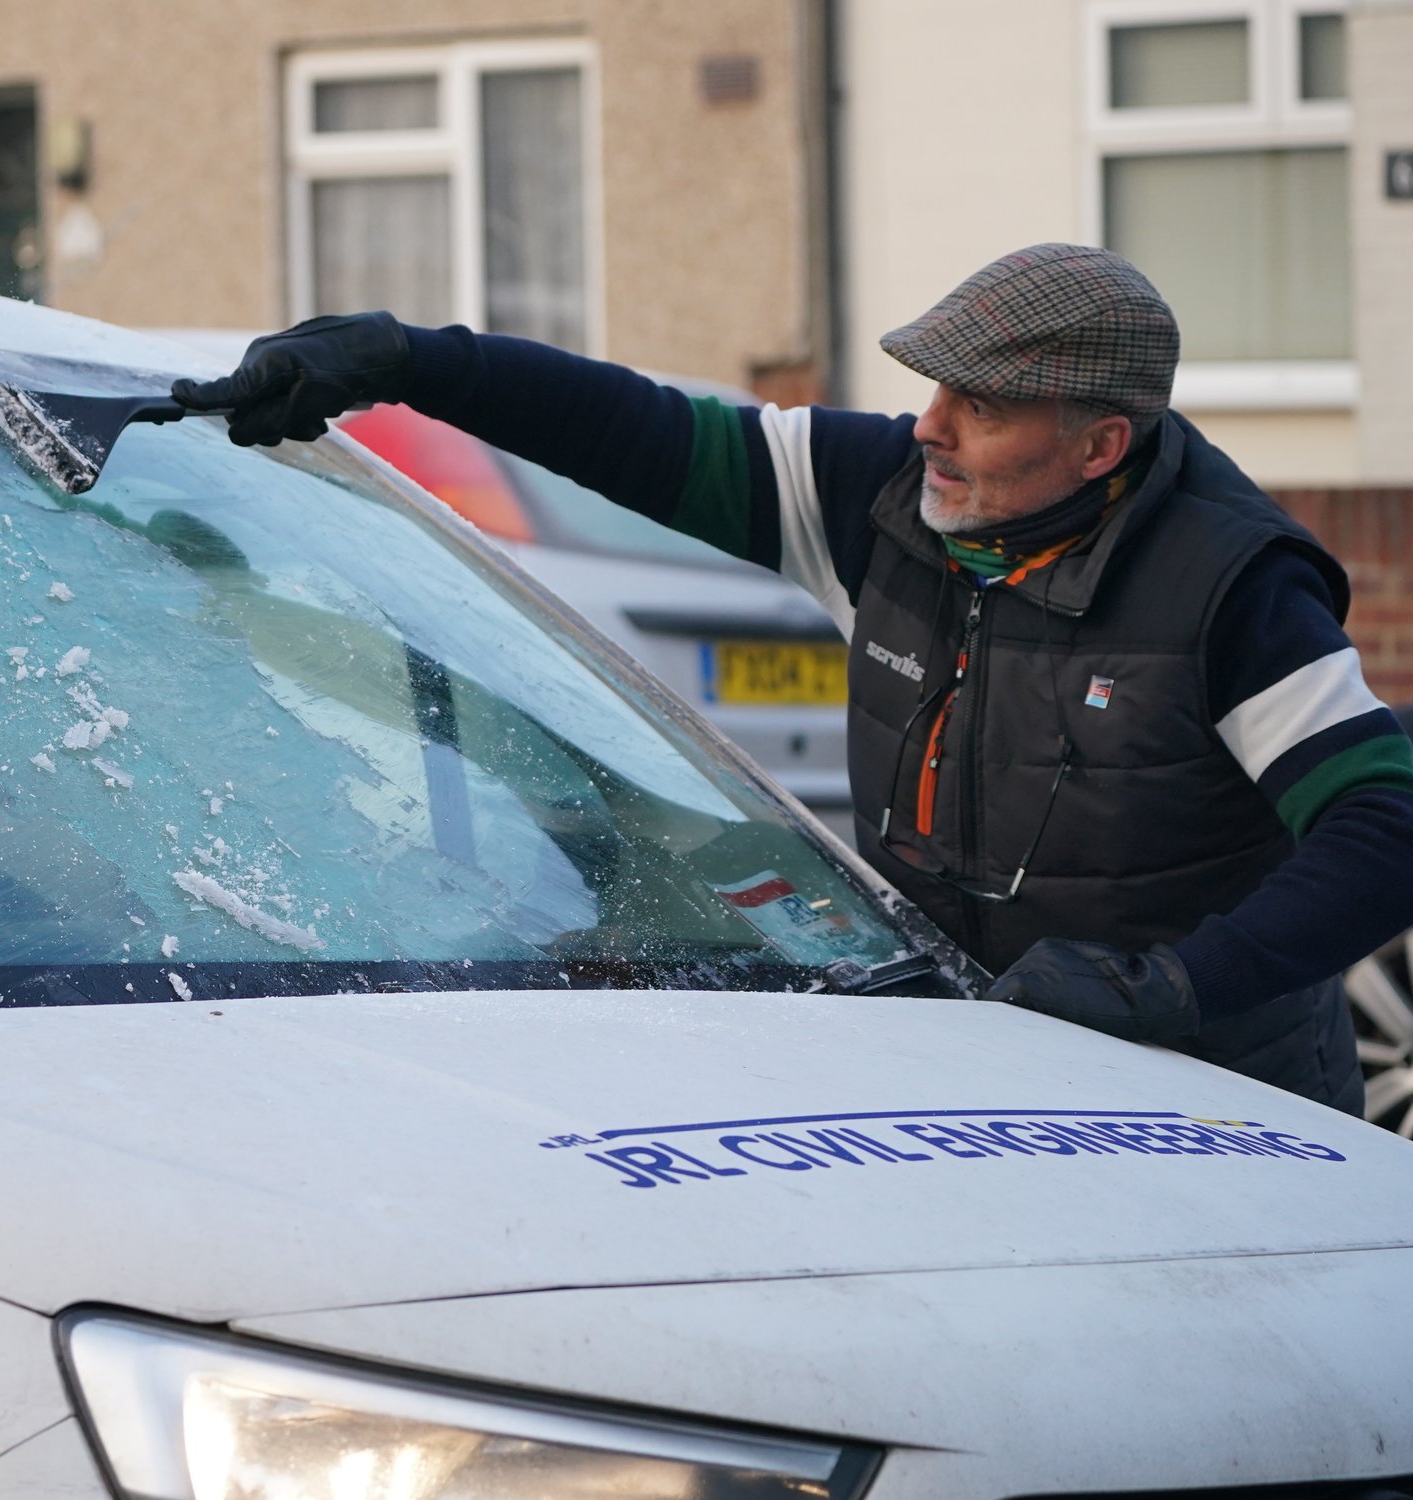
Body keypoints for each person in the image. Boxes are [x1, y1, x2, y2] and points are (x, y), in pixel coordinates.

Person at [172, 244, 1413, 1113]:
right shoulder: (884, 499)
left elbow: (1383, 823)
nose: (929, 424)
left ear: (1099, 446)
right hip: (986, 1060)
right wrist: (406, 360)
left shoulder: (1230, 585)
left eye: (977, 408)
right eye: (933, 388)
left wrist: (1171, 990)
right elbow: (641, 430)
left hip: (1222, 1091)